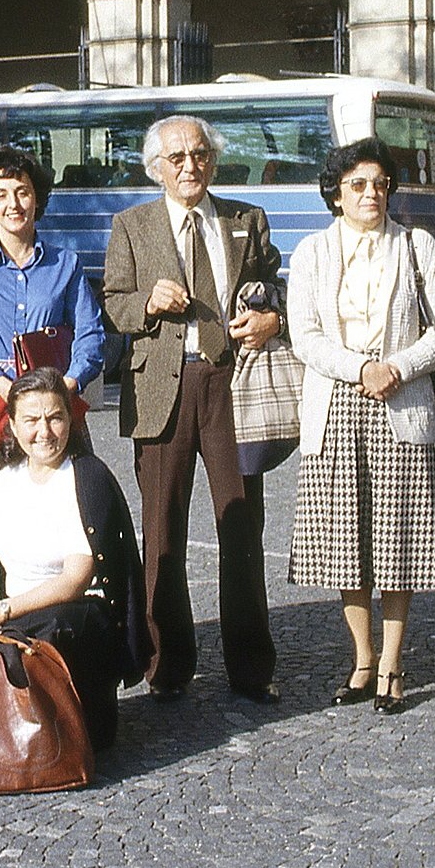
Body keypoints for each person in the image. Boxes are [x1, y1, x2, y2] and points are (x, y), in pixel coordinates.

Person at [101, 115, 283, 704]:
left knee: (241, 526)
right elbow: (113, 303)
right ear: (156, 167)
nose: (190, 167)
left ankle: (251, 667)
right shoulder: (131, 225)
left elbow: (271, 285)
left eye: (199, 155)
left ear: (213, 159)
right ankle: (168, 665)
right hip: (162, 390)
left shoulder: (244, 220)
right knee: (162, 532)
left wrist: (267, 317)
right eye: (176, 158)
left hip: (233, 385)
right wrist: (147, 304)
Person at [286, 137, 435, 713]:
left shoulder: (417, 246)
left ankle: (392, 662)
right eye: (358, 184)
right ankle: (360, 659)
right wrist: (360, 368)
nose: (371, 194)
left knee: (399, 540)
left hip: (399, 408)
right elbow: (304, 335)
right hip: (335, 407)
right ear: (336, 193)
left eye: (381, 184)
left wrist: (397, 367)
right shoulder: (311, 252)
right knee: (344, 543)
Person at [0, 369, 149, 749]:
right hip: (12, 615)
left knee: (50, 631)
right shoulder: (4, 479)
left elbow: (75, 578)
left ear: (70, 419)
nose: (44, 432)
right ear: (12, 424)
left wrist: (3, 613)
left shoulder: (85, 478)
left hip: (75, 613)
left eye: (55, 417)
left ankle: (57, 743)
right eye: (31, 420)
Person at [0, 146, 104, 573]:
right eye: (2, 194)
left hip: (54, 402)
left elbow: (91, 335)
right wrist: (5, 388)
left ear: (38, 199)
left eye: (23, 192)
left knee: (61, 512)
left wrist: (66, 386)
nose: (13, 204)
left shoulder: (66, 265)